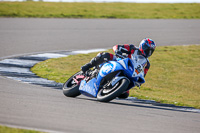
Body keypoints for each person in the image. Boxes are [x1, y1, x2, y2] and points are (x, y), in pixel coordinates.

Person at [81, 38, 156, 99]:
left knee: (124, 95)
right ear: (142, 46)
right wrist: (118, 51)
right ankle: (88, 65)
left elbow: (143, 74)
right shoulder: (132, 48)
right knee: (105, 55)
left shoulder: (146, 64)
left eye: (151, 51)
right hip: (119, 62)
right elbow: (116, 46)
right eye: (147, 49)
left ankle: (108, 89)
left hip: (129, 73)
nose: (148, 53)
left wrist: (139, 81)